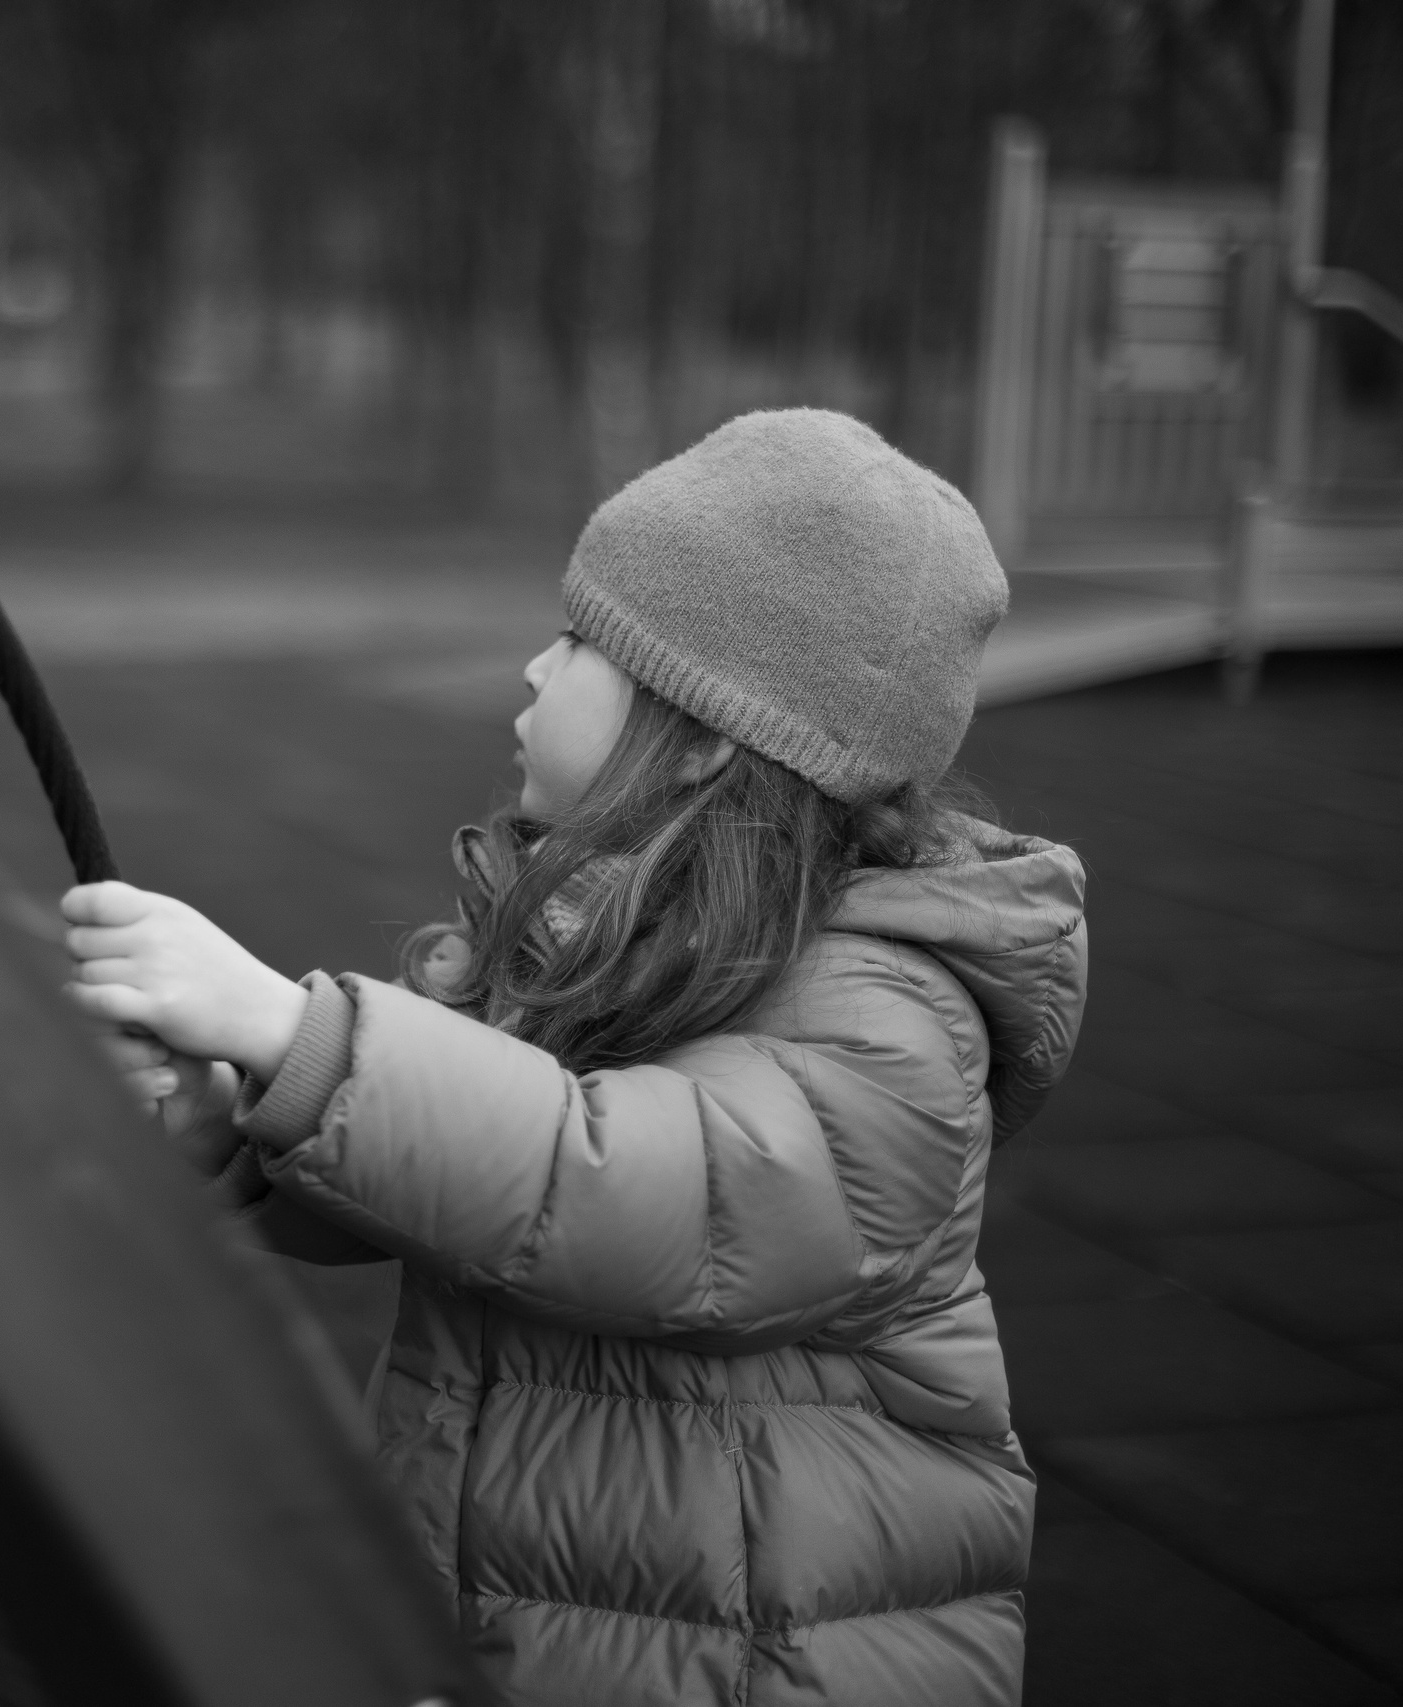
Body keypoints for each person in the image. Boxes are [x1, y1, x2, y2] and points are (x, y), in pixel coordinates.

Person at [61, 409, 1087, 1706]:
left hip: (768, 1658)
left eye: (585, 644)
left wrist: (293, 1031)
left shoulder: (890, 1021)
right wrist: (251, 1127)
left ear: (715, 727)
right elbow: (460, 1182)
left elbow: (622, 1187)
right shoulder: (592, 938)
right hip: (562, 1619)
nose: (535, 671)